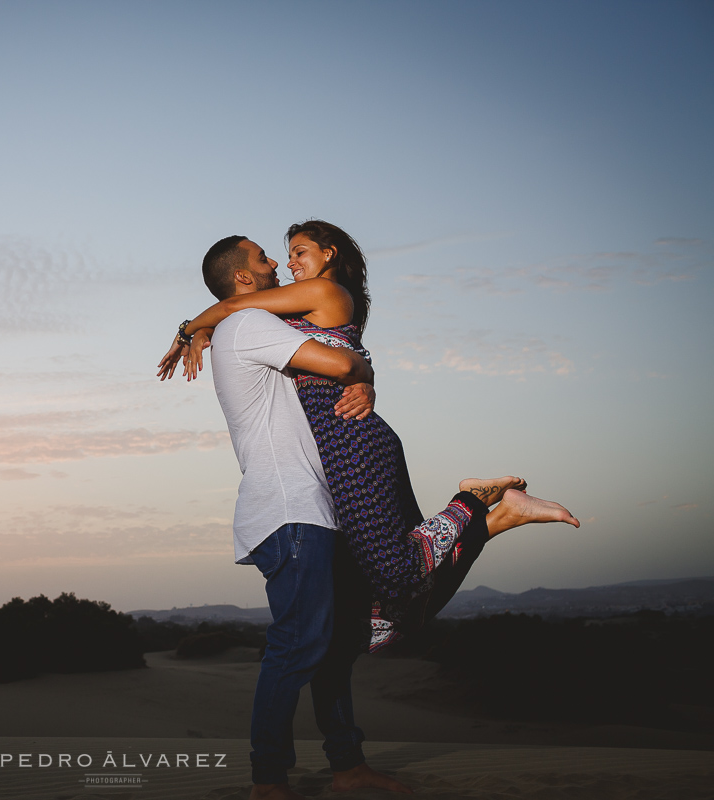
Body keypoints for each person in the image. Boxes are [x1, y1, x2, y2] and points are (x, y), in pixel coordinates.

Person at [165, 234, 580, 798]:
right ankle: (268, 781)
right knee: (296, 647)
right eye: (266, 258)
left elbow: (332, 359)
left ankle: (347, 766)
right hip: (292, 515)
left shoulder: (257, 323)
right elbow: (338, 359)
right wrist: (360, 372)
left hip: (315, 510)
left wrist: (358, 377)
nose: (277, 265)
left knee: (334, 649)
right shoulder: (249, 324)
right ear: (243, 279)